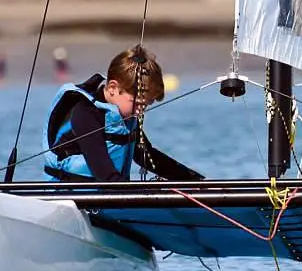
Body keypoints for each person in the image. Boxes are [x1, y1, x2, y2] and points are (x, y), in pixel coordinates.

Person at [43, 45, 203, 182]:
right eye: (138, 103)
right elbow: (104, 173)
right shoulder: (85, 114)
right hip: (70, 197)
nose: (141, 110)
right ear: (113, 88)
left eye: (146, 105)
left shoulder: (126, 116)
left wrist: (195, 181)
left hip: (107, 194)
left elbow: (147, 157)